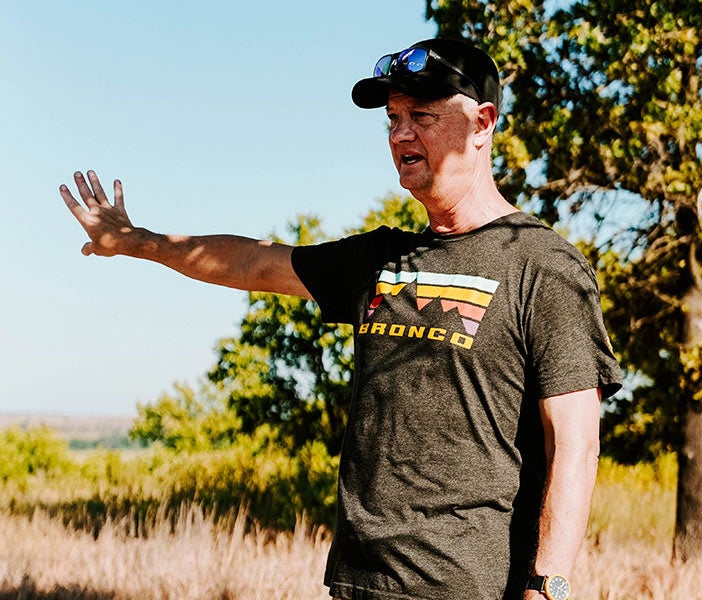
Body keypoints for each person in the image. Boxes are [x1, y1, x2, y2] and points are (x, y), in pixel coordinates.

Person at [60, 37, 622, 600]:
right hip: (358, 583)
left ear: (482, 123)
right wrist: (139, 242)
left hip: (470, 586)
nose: (401, 134)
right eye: (393, 119)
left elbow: (575, 444)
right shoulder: (378, 260)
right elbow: (255, 263)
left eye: (420, 115)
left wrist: (546, 587)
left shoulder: (542, 264)